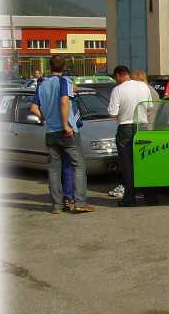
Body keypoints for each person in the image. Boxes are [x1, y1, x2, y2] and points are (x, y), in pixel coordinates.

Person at [29, 55, 94, 214]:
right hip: (66, 132)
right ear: (64, 67)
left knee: (53, 170)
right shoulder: (64, 81)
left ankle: (56, 206)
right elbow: (64, 101)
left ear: (49, 67)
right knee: (78, 165)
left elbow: (33, 108)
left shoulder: (42, 84)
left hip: (50, 132)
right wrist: (65, 124)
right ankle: (79, 202)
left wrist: (45, 118)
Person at [108, 66, 158, 207]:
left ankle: (129, 198)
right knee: (144, 162)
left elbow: (112, 113)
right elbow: (149, 107)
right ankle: (150, 197)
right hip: (143, 127)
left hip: (125, 128)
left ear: (119, 75)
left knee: (127, 165)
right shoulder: (144, 86)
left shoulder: (117, 90)